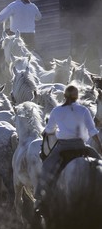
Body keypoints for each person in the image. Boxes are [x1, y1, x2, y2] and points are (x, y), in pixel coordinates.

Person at [34, 85, 102, 215]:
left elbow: (49, 130)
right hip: (81, 146)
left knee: (46, 167)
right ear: (77, 97)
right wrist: (99, 145)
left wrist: (51, 130)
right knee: (99, 162)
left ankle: (41, 200)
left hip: (63, 147)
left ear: (64, 96)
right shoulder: (84, 110)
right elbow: (93, 131)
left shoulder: (56, 111)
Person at [0, 0, 42, 82]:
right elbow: (39, 17)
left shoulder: (14, 5)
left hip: (16, 38)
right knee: (36, 55)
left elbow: (2, 16)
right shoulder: (33, 7)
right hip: (30, 38)